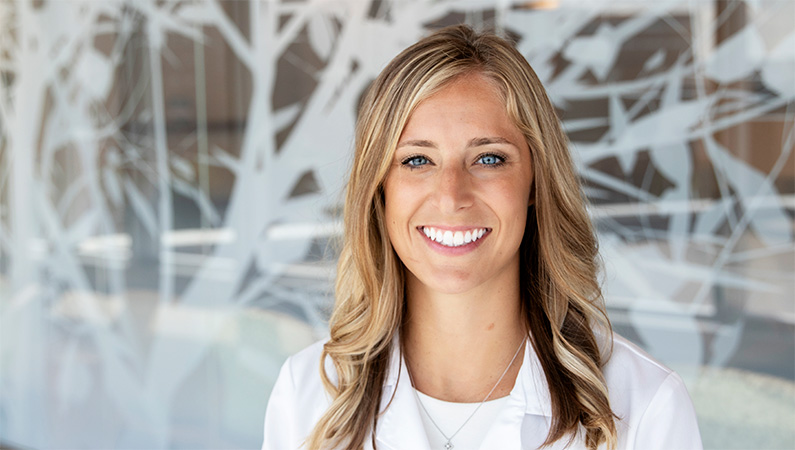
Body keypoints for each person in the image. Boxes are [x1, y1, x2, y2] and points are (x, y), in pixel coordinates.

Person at [262, 25, 702, 450]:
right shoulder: (309, 399)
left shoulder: (643, 407)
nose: (452, 196)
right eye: (417, 160)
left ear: (535, 182)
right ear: (380, 190)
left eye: (489, 158)